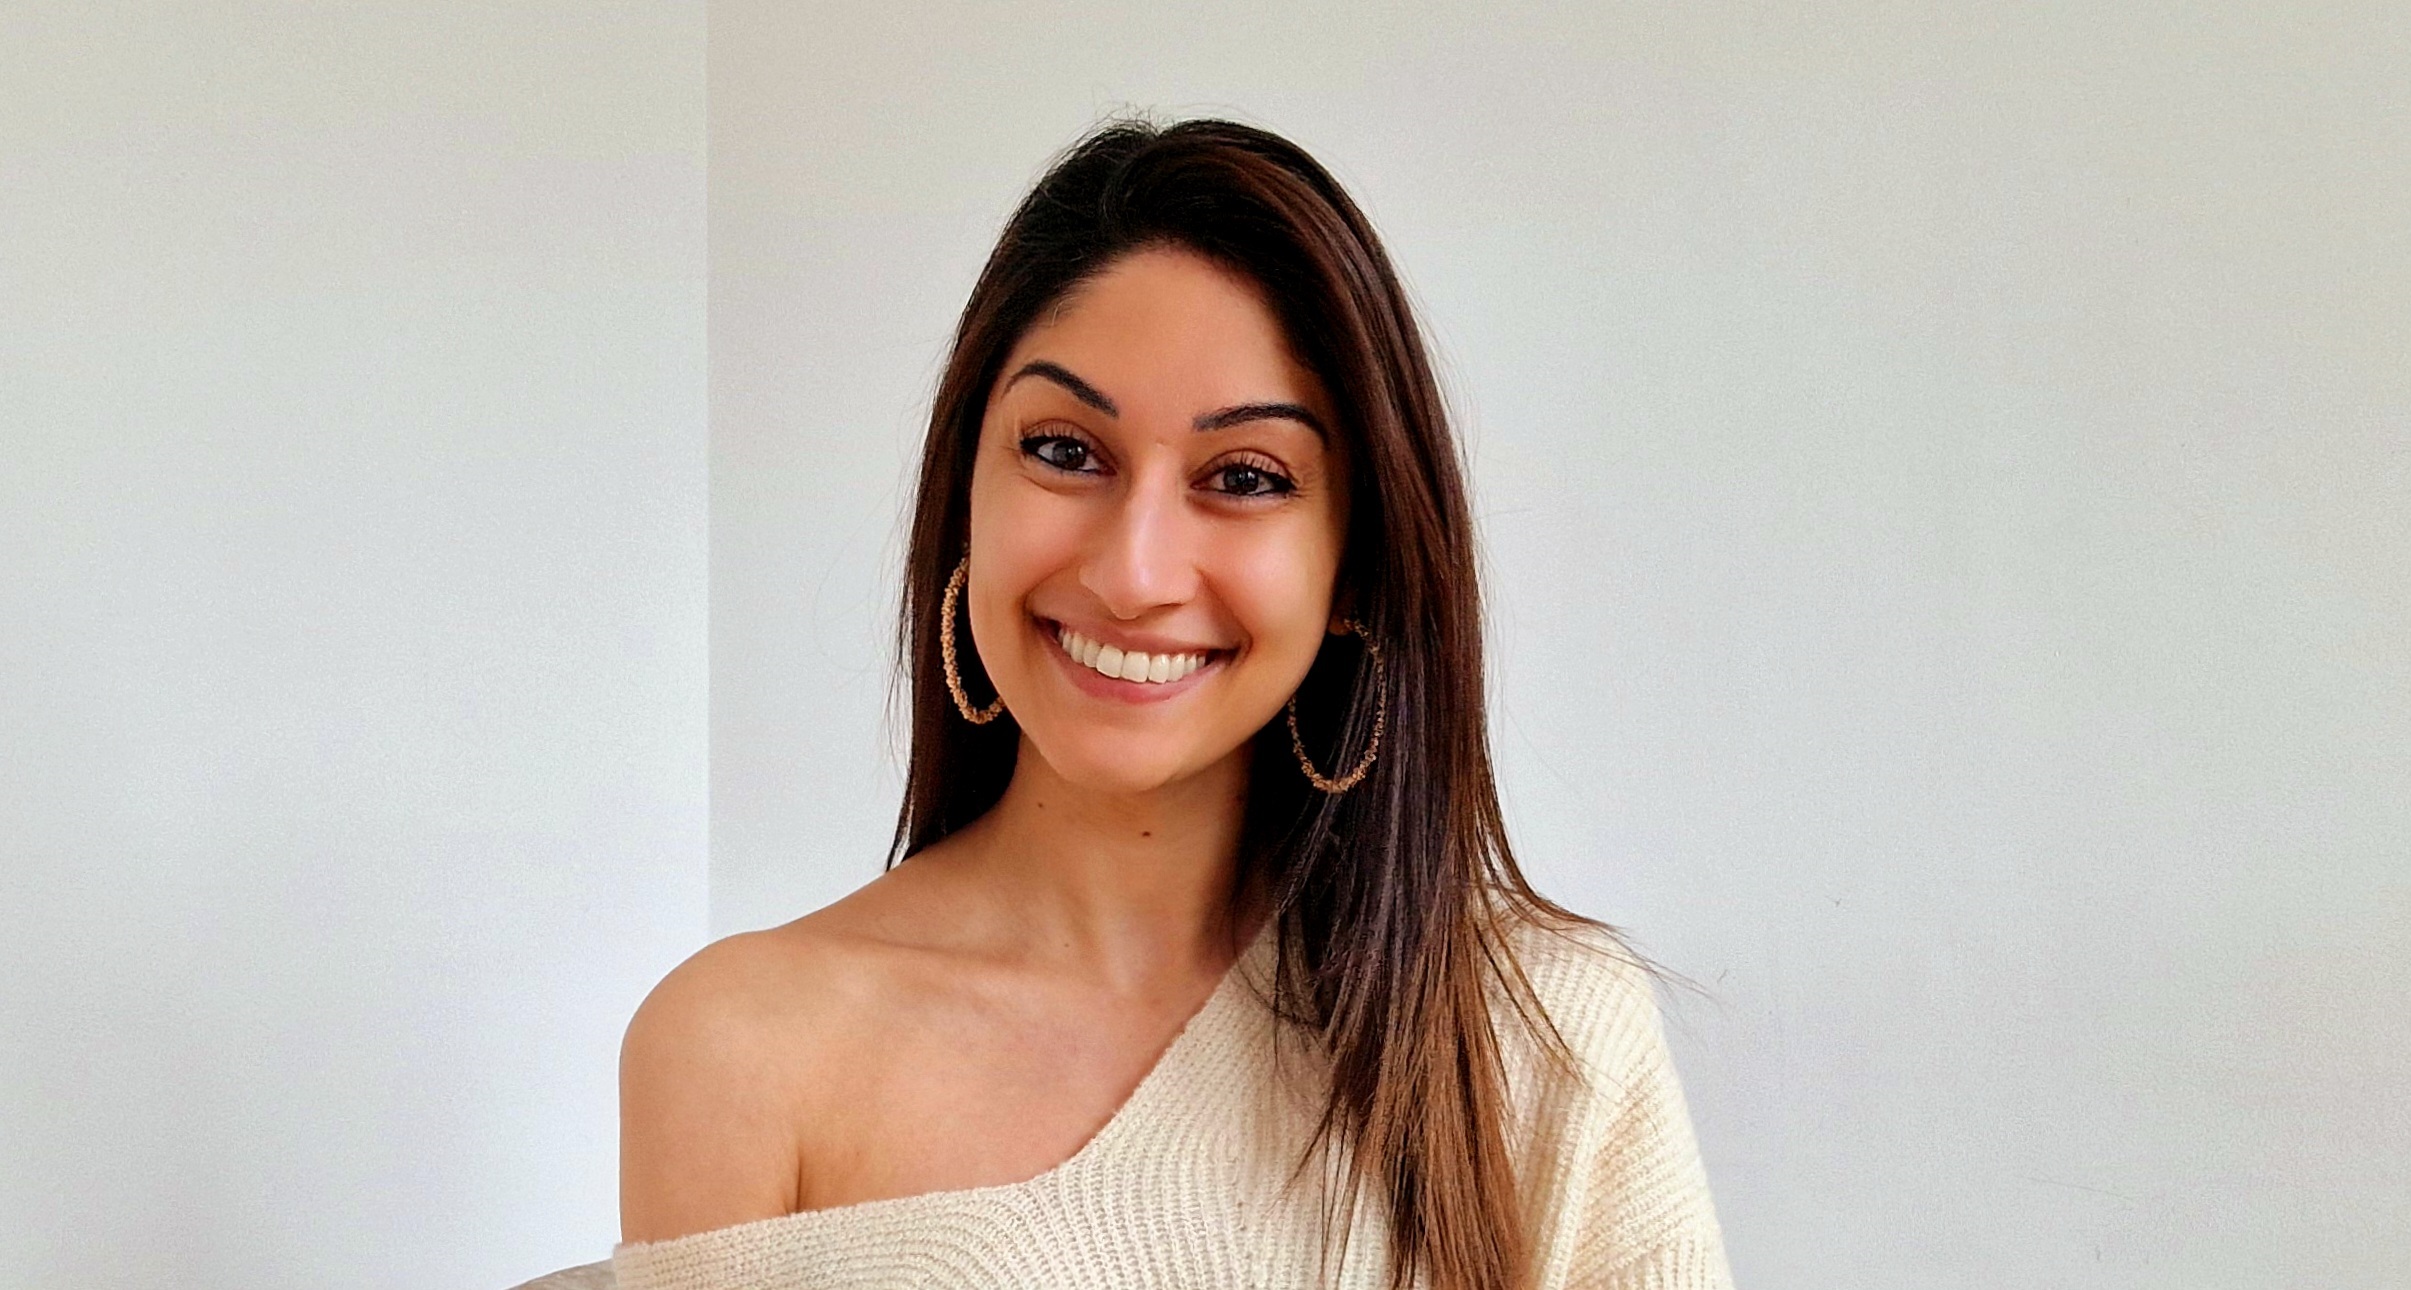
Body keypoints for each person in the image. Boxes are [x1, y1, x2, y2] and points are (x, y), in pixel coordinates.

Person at [612, 117, 1734, 1290]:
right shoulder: (741, 1049)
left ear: (1354, 566)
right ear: (964, 494)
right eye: (1064, 450)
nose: (1132, 572)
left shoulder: (1538, 1040)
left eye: (1243, 479)